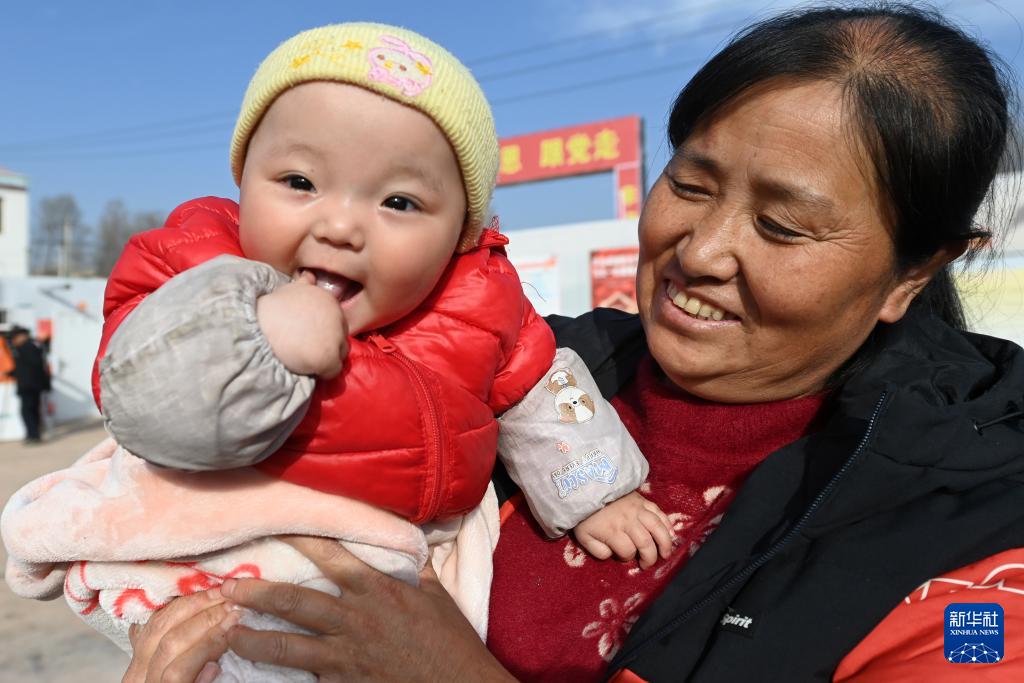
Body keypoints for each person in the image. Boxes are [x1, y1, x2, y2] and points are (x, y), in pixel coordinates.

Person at [121, 4, 1024, 682]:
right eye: (692, 184)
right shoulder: (519, 375)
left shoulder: (974, 534)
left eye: (783, 226)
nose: (701, 252)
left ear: (914, 271)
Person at [3, 21, 672, 681]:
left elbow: (544, 389)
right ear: (242, 180)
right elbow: (142, 390)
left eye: (400, 201)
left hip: (385, 558)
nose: (341, 224)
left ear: (463, 235)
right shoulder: (197, 262)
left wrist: (594, 491)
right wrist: (258, 336)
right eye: (299, 182)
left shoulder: (482, 303)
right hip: (200, 542)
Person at [5, 326, 50, 444]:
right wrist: (10, 373)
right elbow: (25, 367)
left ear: (22, 336)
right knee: (32, 410)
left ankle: (33, 435)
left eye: (15, 337)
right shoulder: (30, 347)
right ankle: (34, 434)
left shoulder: (27, 348)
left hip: (28, 385)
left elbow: (30, 368)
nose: (13, 341)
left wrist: (13, 373)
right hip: (32, 385)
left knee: (28, 411)